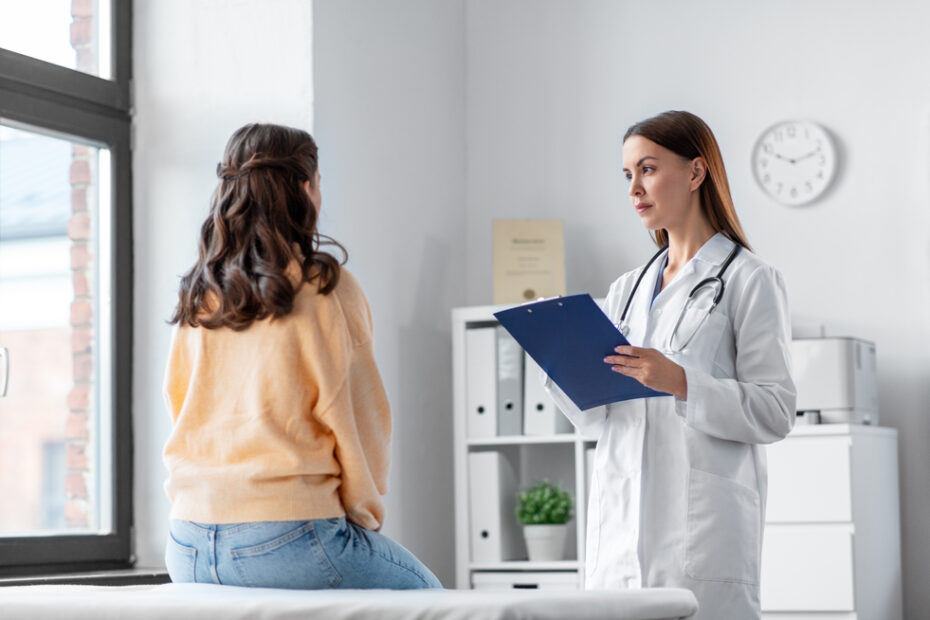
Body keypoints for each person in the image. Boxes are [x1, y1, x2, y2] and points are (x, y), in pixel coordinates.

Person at [162, 123, 441, 590]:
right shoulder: (326, 286)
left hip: (186, 541)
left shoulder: (199, 290)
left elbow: (179, 406)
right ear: (306, 186)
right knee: (430, 599)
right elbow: (360, 419)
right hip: (289, 535)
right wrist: (362, 514)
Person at [543, 111, 796, 619]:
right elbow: (598, 419)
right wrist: (564, 370)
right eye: (627, 176)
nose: (634, 188)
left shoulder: (750, 280)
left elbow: (775, 409)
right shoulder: (624, 290)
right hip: (619, 530)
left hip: (700, 537)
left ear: (697, 173)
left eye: (649, 169)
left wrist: (681, 382)